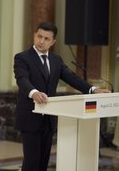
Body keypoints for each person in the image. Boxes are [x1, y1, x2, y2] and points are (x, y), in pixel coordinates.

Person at [13, 21, 110, 171]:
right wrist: (34, 93)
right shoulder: (22, 58)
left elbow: (72, 78)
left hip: (49, 119)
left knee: (43, 163)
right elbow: (22, 79)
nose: (41, 41)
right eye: (39, 36)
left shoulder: (56, 60)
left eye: (46, 39)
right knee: (31, 163)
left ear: (53, 42)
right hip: (30, 117)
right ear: (34, 35)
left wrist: (93, 90)